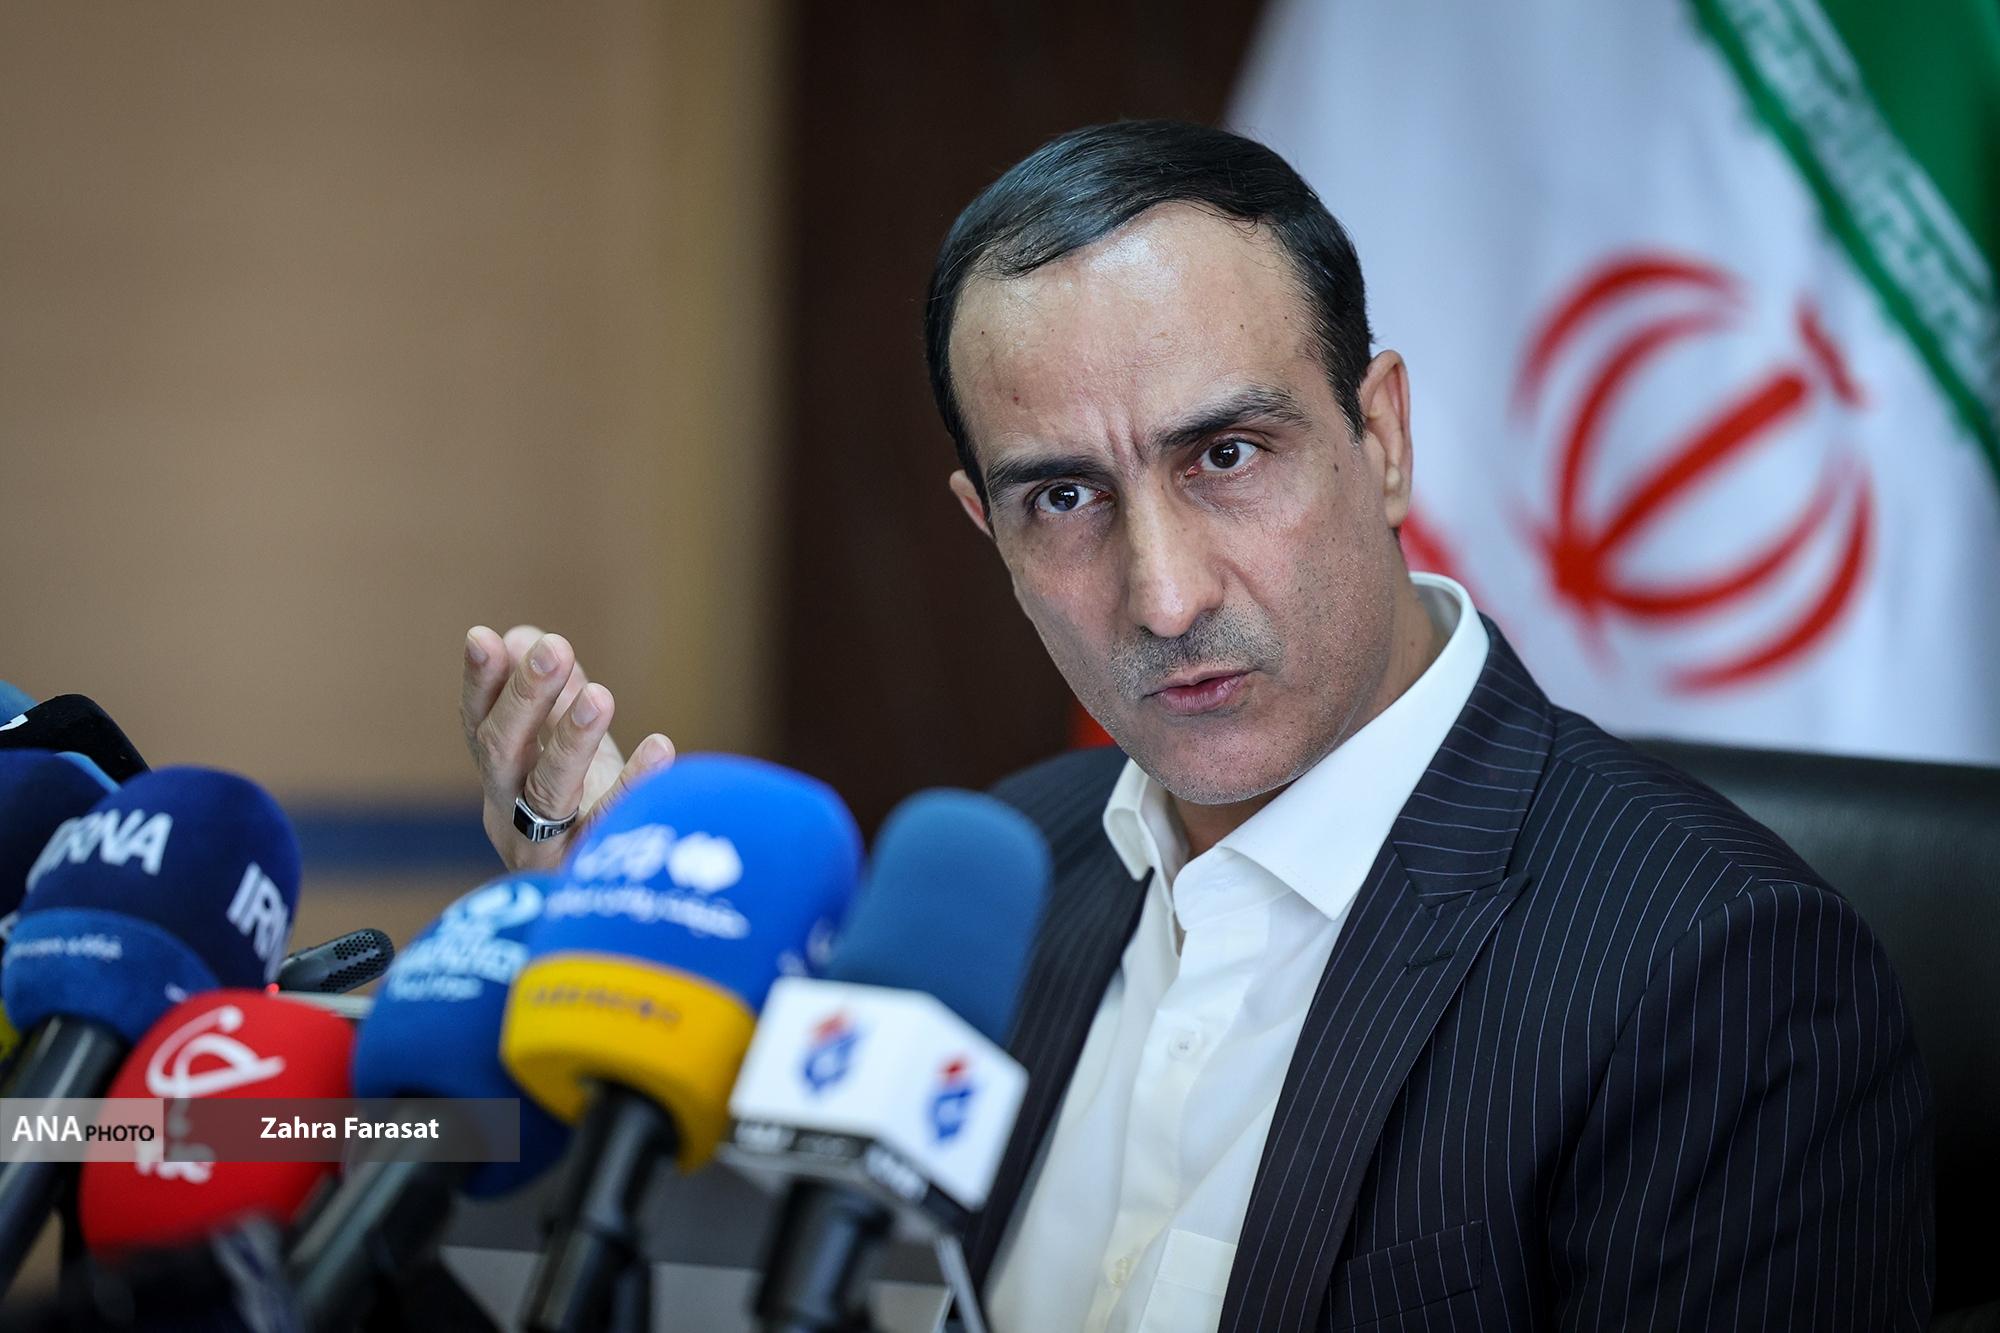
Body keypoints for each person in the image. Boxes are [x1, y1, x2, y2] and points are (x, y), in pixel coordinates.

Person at [457, 121, 1932, 1331]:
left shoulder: (1722, 968)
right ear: (986, 530)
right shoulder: (997, 876)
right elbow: (733, 1264)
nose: (1163, 596)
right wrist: (611, 983)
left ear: (1382, 436)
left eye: (1226, 454)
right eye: (1064, 497)